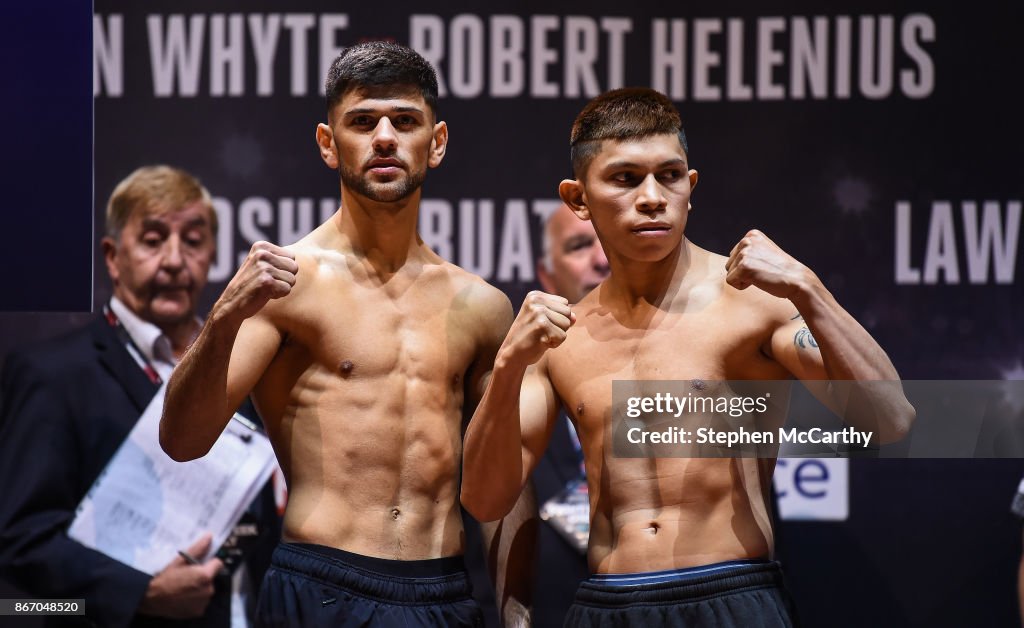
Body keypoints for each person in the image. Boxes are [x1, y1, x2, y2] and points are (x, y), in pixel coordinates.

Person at [461, 88, 915, 627]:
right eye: (625, 178)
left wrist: (809, 290)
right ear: (578, 198)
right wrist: (510, 364)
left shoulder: (752, 306)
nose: (653, 196)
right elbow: (486, 500)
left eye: (669, 176)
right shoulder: (563, 338)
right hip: (609, 604)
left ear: (690, 185)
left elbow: (890, 421)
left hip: (730, 594)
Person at [159, 41, 522, 627]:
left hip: (443, 591)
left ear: (437, 141)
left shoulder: (481, 306)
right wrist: (223, 316)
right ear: (329, 144)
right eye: (362, 121)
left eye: (405, 121)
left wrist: (517, 612)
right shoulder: (286, 285)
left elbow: (502, 486)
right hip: (320, 585)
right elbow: (182, 440)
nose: (384, 138)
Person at [0, 165, 279, 627]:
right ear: (112, 256)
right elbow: (18, 537)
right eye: (152, 240)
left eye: (192, 241)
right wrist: (138, 593)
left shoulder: (242, 368)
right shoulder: (53, 375)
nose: (174, 260)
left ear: (212, 254)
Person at [530, 204, 607, 626]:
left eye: (611, 241)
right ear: (545, 276)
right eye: (580, 246)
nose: (602, 259)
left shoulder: (698, 379)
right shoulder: (504, 389)